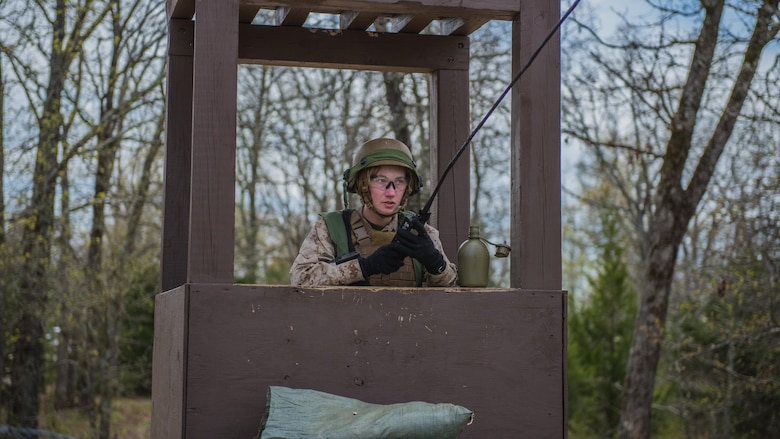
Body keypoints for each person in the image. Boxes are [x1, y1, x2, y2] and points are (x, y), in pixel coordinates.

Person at [289, 138, 458, 287]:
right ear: (363, 184)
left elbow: (454, 288)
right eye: (381, 180)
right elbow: (300, 277)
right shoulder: (333, 228)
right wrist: (364, 267)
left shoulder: (421, 232)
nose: (391, 192)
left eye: (399, 182)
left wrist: (436, 263)